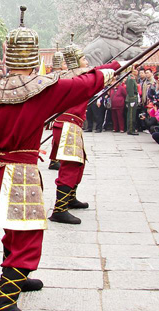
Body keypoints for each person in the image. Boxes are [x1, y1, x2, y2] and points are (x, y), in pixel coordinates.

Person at [0, 7, 115, 311]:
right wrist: (110, 68)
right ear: (35, 57)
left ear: (8, 57)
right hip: (22, 174)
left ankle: (17, 279)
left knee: (13, 228)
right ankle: (4, 302)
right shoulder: (44, 90)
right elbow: (86, 84)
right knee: (28, 234)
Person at [48, 44, 121, 224]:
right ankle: (60, 208)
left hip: (67, 125)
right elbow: (103, 70)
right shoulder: (80, 76)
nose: (87, 62)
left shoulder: (64, 76)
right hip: (68, 125)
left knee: (78, 164)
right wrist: (121, 63)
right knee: (71, 166)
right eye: (84, 59)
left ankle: (70, 198)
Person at [126, 68, 139, 135]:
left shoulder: (132, 78)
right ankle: (131, 130)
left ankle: (132, 129)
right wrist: (132, 99)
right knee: (131, 115)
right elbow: (130, 89)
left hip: (134, 97)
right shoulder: (131, 79)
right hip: (132, 98)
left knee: (132, 115)